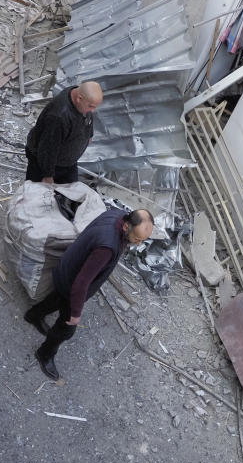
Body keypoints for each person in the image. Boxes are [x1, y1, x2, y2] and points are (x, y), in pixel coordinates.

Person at [23, 207, 154, 380]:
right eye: (137, 238)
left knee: (57, 299)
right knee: (67, 329)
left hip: (68, 265)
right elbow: (81, 283)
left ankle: (33, 315)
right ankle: (44, 354)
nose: (138, 243)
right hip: (72, 283)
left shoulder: (116, 214)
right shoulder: (107, 248)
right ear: (126, 227)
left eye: (142, 240)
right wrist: (76, 313)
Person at [24, 81, 103, 184]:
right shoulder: (58, 117)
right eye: (91, 106)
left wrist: (88, 135)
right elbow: (47, 149)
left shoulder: (79, 97)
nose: (92, 110)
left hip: (67, 163)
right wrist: (47, 175)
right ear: (79, 98)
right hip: (45, 163)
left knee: (70, 194)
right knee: (38, 196)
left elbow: (87, 118)